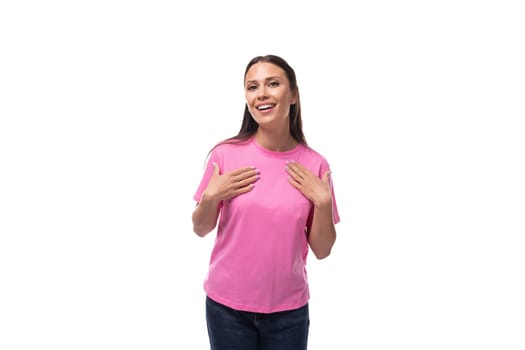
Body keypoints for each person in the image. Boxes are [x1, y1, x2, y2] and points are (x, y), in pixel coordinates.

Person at [191, 54, 340, 350]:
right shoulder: (225, 155)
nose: (261, 94)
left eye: (273, 84)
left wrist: (323, 203)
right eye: (252, 87)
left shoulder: (316, 165)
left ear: (293, 94)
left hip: (289, 313)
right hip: (226, 309)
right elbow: (200, 227)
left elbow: (322, 250)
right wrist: (211, 197)